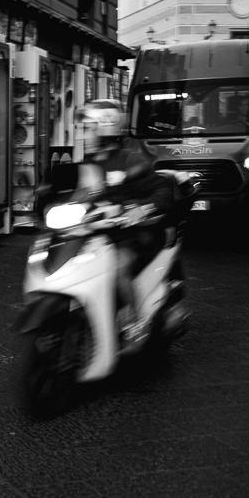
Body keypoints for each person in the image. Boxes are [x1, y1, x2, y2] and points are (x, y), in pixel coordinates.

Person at [77, 100, 176, 344]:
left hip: (130, 234)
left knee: (119, 268)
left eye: (89, 128)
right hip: (97, 234)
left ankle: (133, 322)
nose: (84, 134)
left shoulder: (130, 159)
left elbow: (160, 189)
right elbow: (82, 193)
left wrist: (143, 209)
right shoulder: (90, 162)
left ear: (105, 128)